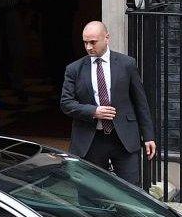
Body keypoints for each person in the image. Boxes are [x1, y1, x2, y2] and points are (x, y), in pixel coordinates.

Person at [60, 21, 156, 187]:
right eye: (85, 42)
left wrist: (148, 136)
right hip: (91, 140)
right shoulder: (74, 69)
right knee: (91, 192)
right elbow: (66, 103)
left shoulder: (127, 64)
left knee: (131, 191)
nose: (89, 47)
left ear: (107, 38)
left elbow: (140, 102)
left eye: (93, 42)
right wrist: (94, 111)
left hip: (124, 138)